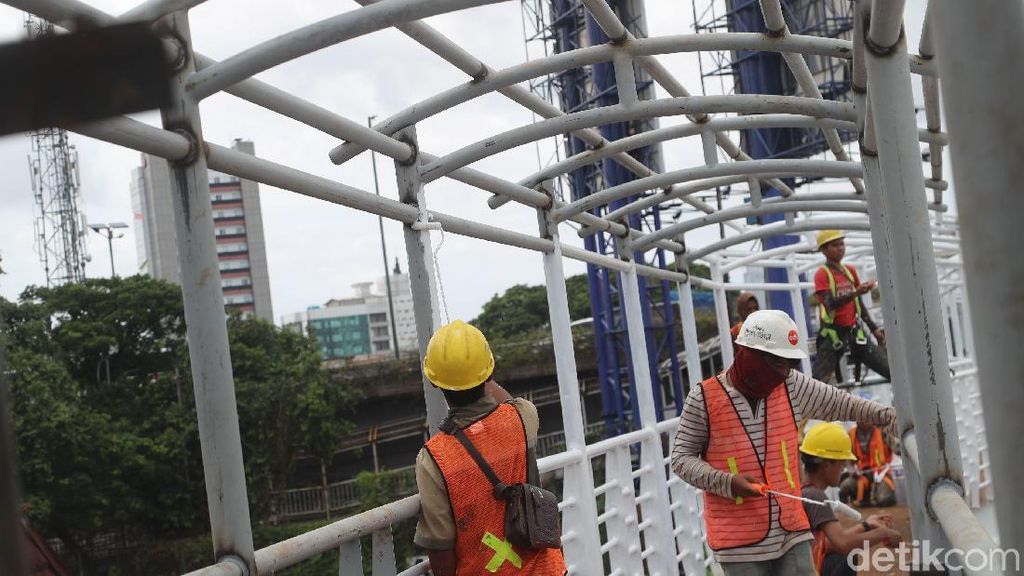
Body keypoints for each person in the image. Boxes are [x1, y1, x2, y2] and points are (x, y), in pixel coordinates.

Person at [671, 310, 898, 575]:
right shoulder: (704, 399)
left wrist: (892, 417)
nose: (783, 372)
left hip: (792, 529)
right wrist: (727, 482)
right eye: (777, 363)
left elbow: (843, 404)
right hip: (739, 542)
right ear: (748, 354)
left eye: (789, 364)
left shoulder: (791, 385)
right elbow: (681, 459)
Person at [413, 320, 565, 576]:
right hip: (547, 570)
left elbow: (440, 544)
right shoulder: (522, 417)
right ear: (488, 372)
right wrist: (484, 375)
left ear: (433, 382)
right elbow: (509, 402)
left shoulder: (433, 458)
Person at [799, 422, 902, 575]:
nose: (842, 469)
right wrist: (884, 533)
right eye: (841, 464)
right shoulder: (816, 497)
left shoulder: (804, 492)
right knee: (846, 555)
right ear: (826, 465)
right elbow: (843, 544)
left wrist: (866, 525)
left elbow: (828, 543)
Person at [811, 230, 891, 384]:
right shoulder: (822, 274)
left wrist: (874, 329)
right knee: (820, 381)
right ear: (823, 250)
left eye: (842, 244)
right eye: (835, 245)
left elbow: (858, 304)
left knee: (889, 369)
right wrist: (855, 292)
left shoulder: (850, 271)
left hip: (854, 332)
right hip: (833, 334)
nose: (840, 248)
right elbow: (829, 303)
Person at [839, 421, 897, 508]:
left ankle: (875, 498)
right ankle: (862, 501)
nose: (864, 420)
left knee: (884, 499)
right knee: (845, 486)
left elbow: (898, 448)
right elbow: (847, 458)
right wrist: (851, 470)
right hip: (861, 475)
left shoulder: (883, 431)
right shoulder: (851, 434)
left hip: (881, 475)